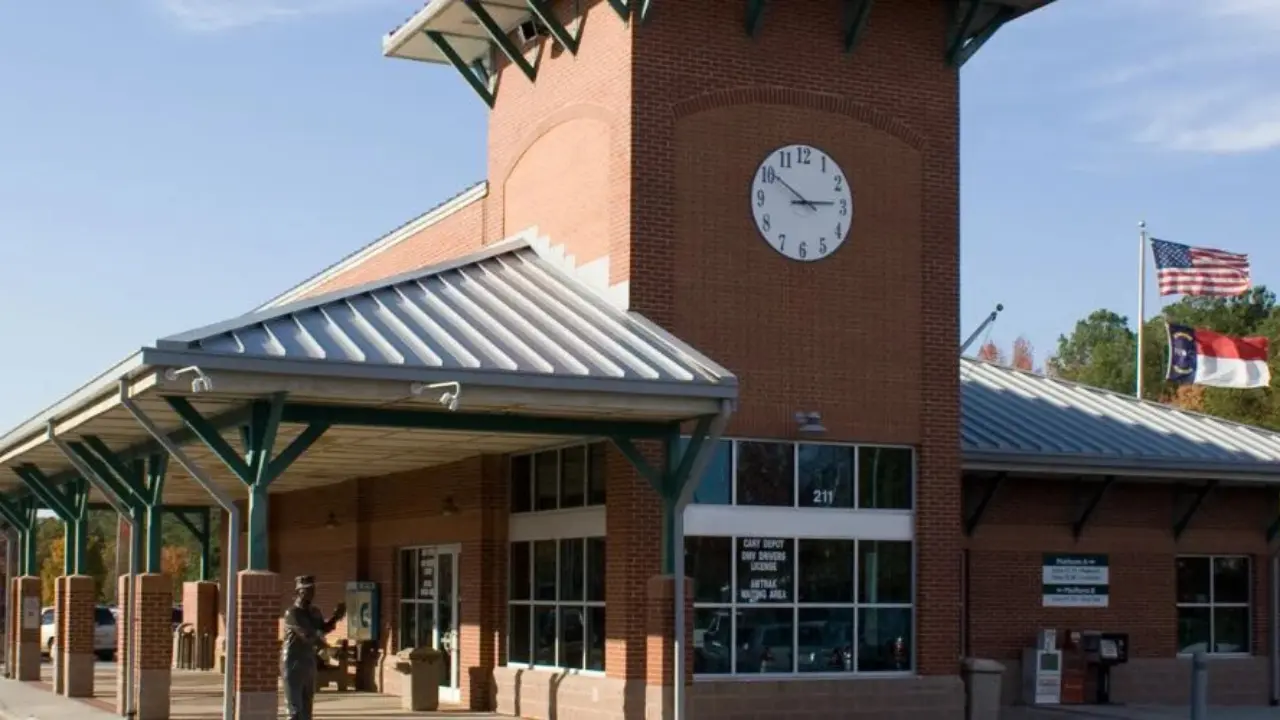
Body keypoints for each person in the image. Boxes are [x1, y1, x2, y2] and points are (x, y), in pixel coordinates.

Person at [281, 575, 346, 720]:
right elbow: (307, 635)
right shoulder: (292, 613)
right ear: (298, 592)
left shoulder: (314, 611)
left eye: (312, 590)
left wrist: (336, 616)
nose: (310, 593)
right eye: (306, 590)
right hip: (293, 662)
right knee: (294, 711)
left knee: (307, 709)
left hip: (308, 662)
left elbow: (321, 629)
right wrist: (329, 650)